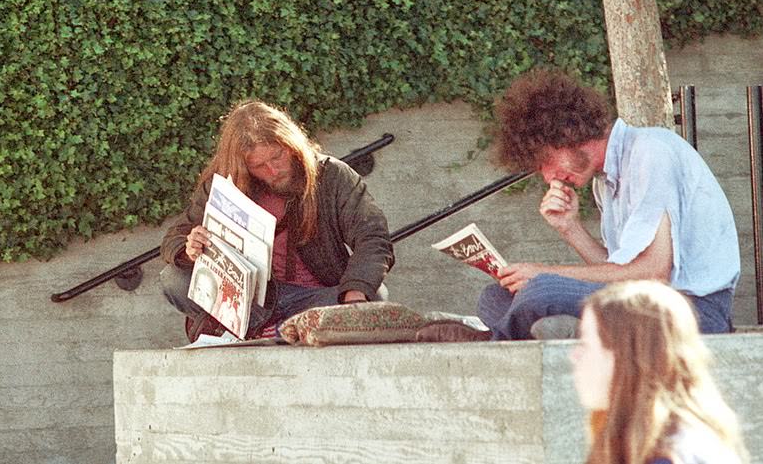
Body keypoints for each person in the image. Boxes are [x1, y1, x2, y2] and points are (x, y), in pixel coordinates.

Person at [419, 69, 740, 343]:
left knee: (540, 292)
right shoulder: (606, 180)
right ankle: (555, 330)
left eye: (545, 161)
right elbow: (620, 271)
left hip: (693, 312)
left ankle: (494, 341)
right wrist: (570, 228)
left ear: (569, 132)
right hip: (642, 302)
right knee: (496, 297)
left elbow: (653, 274)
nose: (548, 177)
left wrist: (544, 273)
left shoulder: (650, 152)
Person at [160, 100, 394, 341]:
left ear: (291, 145)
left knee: (374, 295)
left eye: (277, 156)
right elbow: (174, 238)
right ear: (244, 166)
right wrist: (190, 249)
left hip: (316, 296)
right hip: (252, 303)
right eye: (259, 165)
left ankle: (267, 331)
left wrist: (354, 294)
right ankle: (278, 329)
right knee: (173, 278)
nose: (273, 171)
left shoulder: (332, 175)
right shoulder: (224, 183)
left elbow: (372, 236)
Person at [572, 280, 747, 464]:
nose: (574, 356)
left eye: (585, 344)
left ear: (628, 356)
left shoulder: (672, 455)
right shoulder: (633, 441)